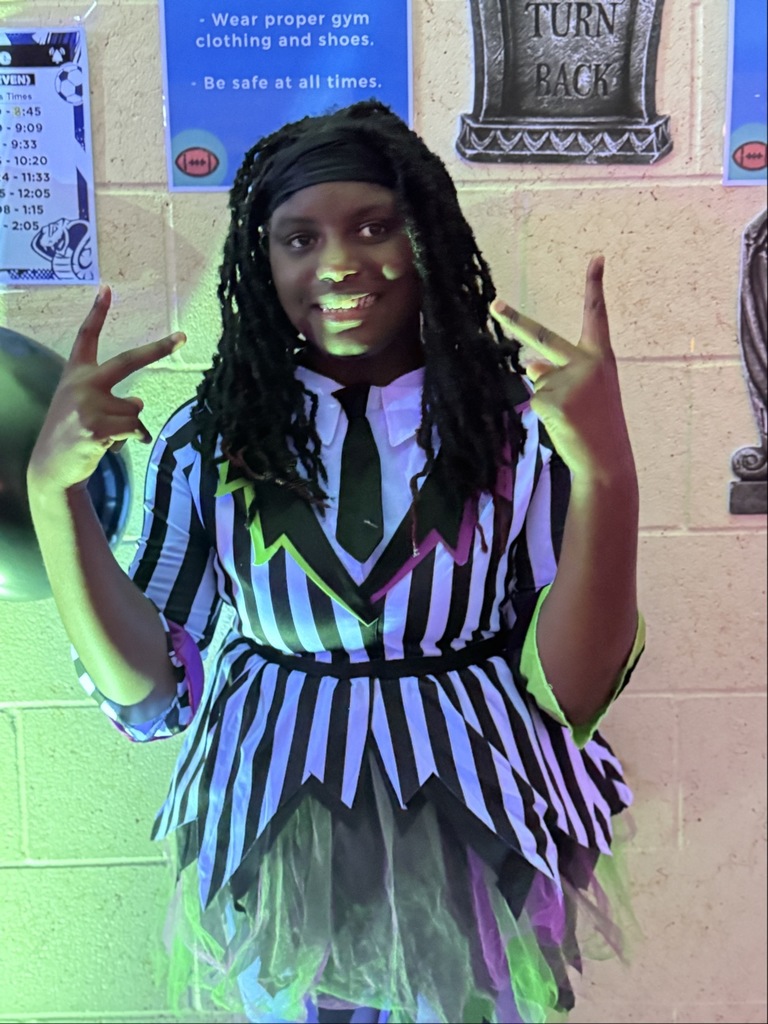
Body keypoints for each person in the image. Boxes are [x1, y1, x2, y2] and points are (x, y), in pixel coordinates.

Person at [27, 101, 644, 1024]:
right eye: (298, 237)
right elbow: (150, 694)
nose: (339, 262)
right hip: (277, 822)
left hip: (480, 823)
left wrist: (607, 474)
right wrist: (54, 498)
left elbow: (575, 690)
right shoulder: (207, 440)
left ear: (429, 234)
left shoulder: (520, 426)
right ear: (261, 262)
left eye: (374, 226)